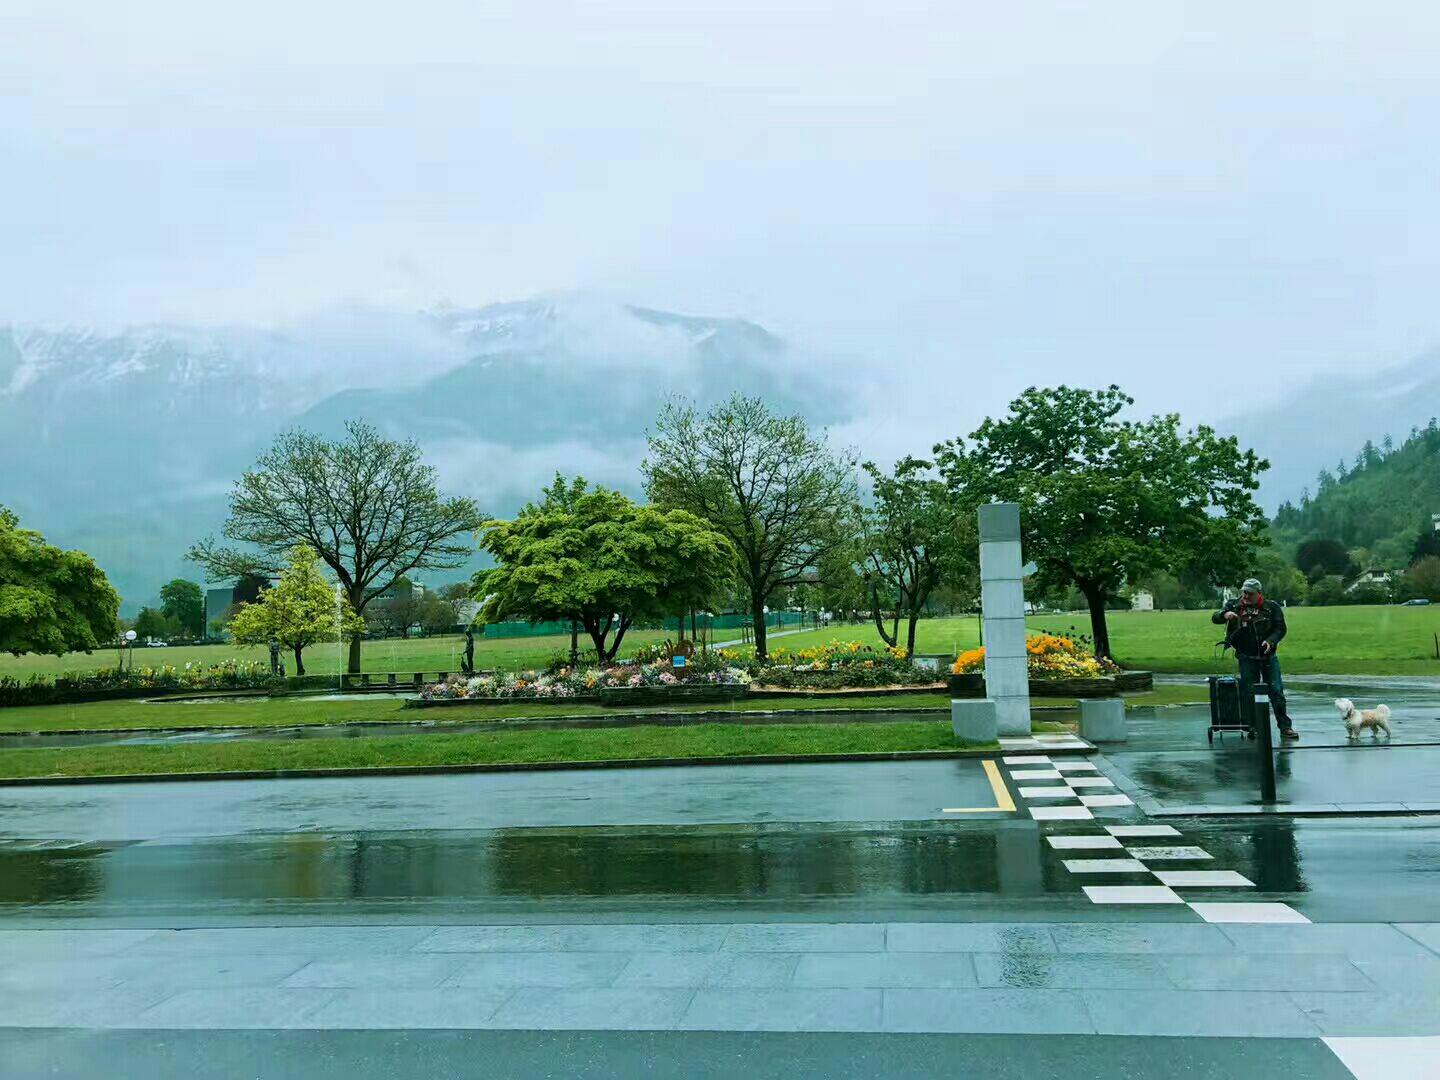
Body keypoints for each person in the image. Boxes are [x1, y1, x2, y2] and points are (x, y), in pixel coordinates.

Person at [1212, 577, 1297, 740]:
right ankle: (1253, 727)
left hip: (1268, 657)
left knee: (1276, 691)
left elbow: (1280, 629)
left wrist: (1270, 641)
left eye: (1250, 593)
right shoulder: (1234, 605)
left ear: (1259, 593)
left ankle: (1285, 727)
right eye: (1244, 592)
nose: (1246, 596)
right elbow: (1215, 618)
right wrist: (1224, 614)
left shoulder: (1271, 607)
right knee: (1249, 693)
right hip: (1246, 657)